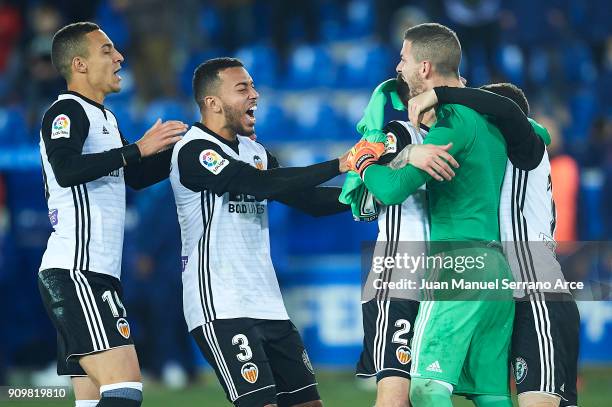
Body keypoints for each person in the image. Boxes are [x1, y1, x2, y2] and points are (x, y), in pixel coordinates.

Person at [347, 23, 515, 406]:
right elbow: (539, 132)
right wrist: (408, 152)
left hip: (456, 262)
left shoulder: (451, 121)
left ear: (424, 68)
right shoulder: (495, 124)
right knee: (490, 392)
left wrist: (364, 160)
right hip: (498, 266)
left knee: (424, 386)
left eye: (404, 58)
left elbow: (388, 190)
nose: (398, 66)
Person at [170, 57, 351, 407]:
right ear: (212, 102)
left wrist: (371, 195)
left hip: (268, 304)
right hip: (219, 305)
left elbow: (308, 201)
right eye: (243, 89)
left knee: (309, 404)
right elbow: (254, 184)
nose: (255, 94)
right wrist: (339, 164)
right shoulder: (194, 150)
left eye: (253, 85)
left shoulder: (256, 152)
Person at [37, 22, 187, 407]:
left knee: (92, 401)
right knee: (125, 388)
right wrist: (137, 148)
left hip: (94, 273)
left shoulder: (104, 117)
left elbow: (133, 176)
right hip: (77, 271)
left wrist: (189, 152)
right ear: (79, 64)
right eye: (106, 51)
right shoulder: (67, 110)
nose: (119, 57)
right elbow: (67, 169)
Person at [408, 83, 580, 407]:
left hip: (538, 294)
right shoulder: (496, 155)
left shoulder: (527, 143)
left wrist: (441, 93)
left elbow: (507, 111)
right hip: (515, 292)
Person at [350, 75, 459, 407]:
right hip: (399, 277)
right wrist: (407, 155)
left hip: (442, 280)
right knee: (395, 399)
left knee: (424, 394)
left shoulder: (456, 137)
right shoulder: (399, 133)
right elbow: (365, 203)